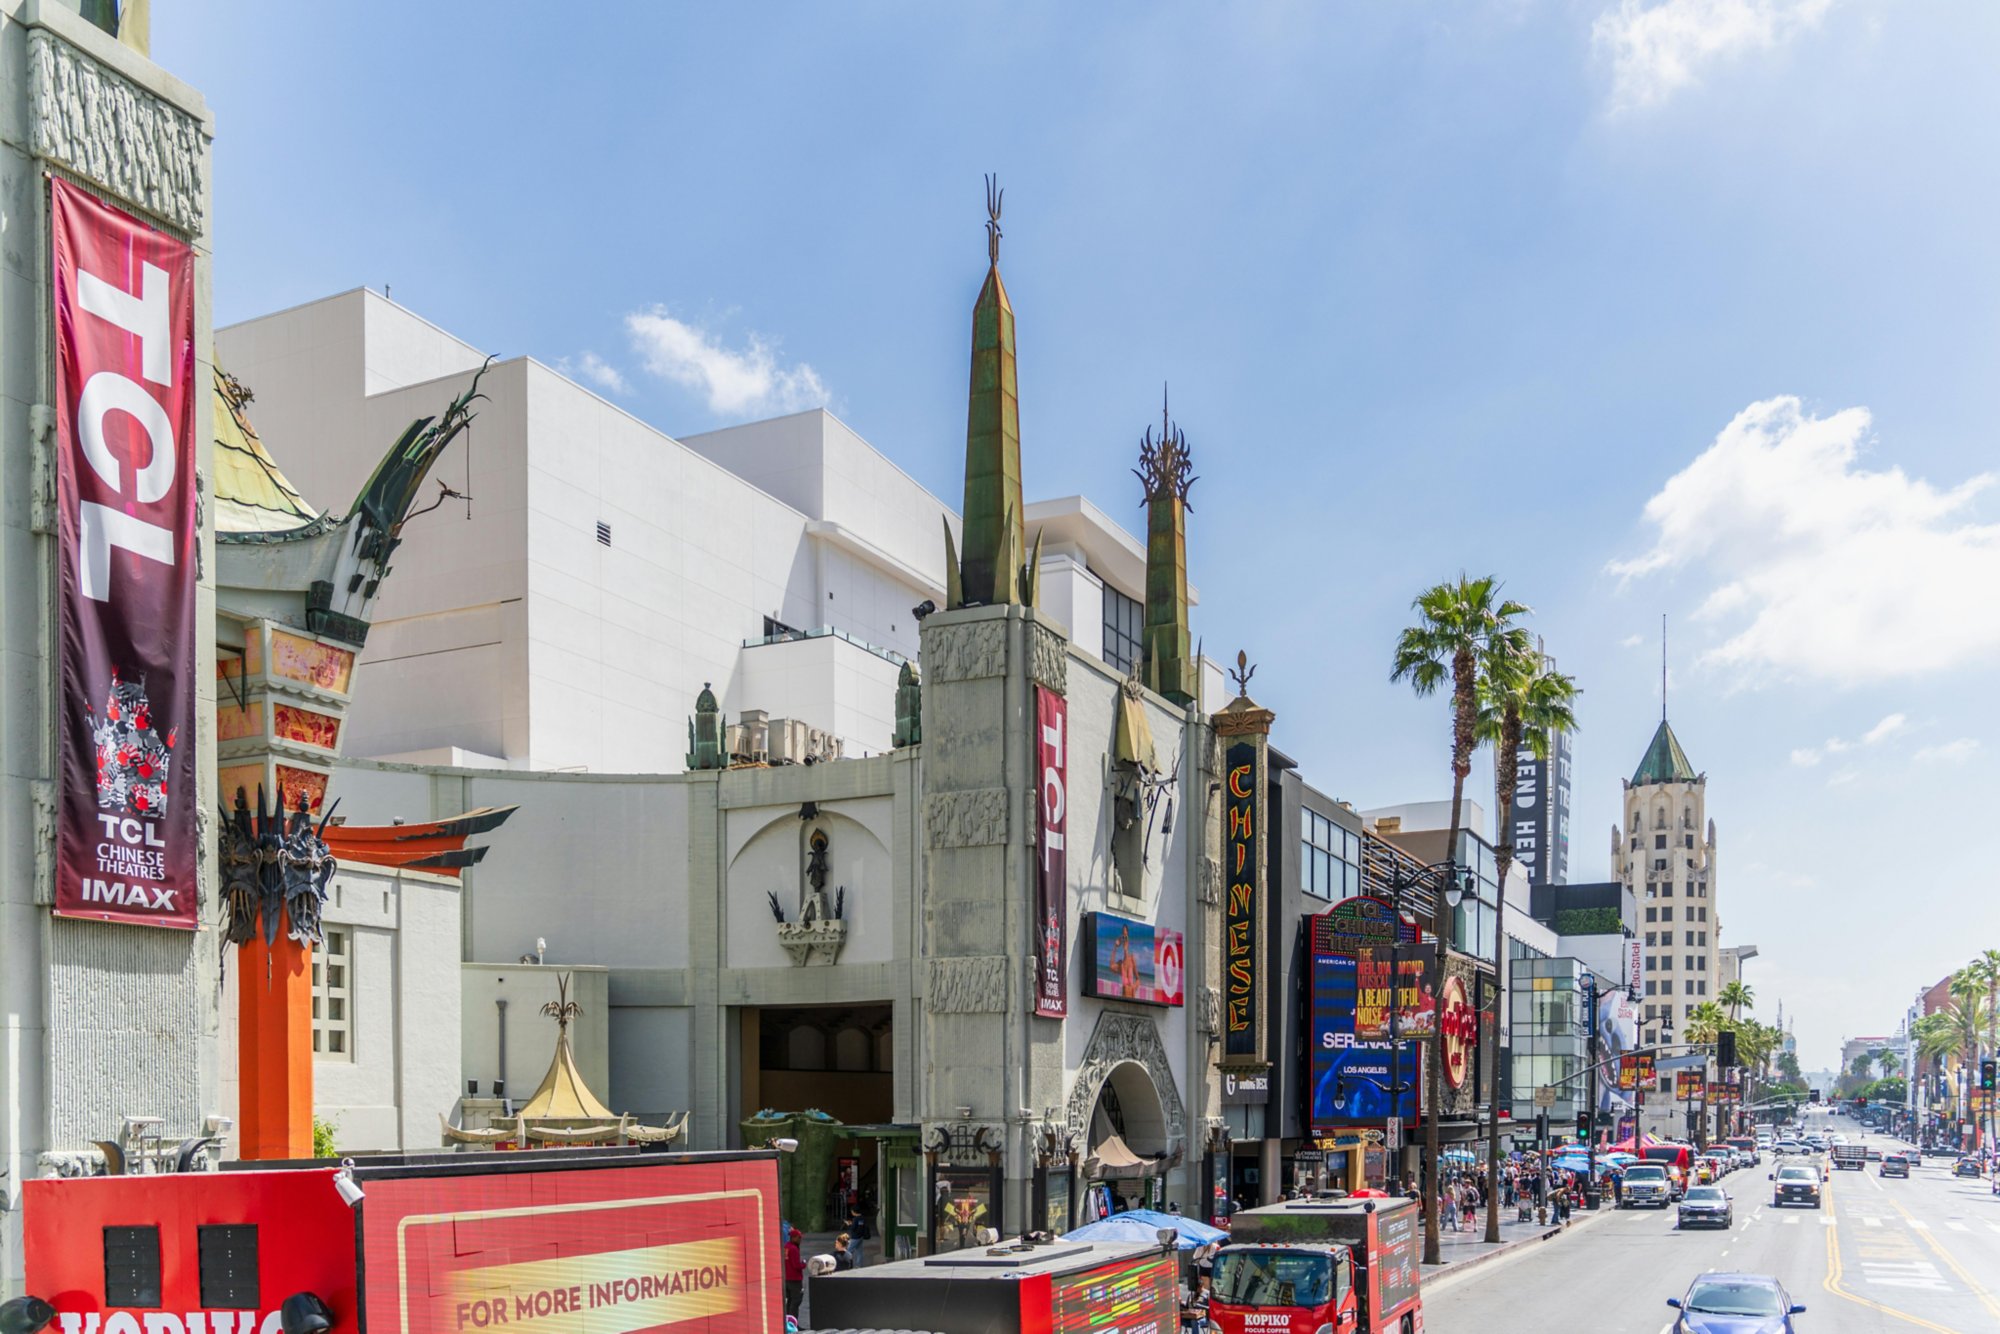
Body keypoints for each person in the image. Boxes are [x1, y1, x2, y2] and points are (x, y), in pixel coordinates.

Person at [782, 1228, 805, 1317]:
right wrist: (803, 1264)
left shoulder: (786, 1247)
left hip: (786, 1278)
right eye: (799, 1238)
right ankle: (793, 1321)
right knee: (796, 1301)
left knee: (789, 1301)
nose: (800, 1240)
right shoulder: (794, 1249)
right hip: (795, 1279)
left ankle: (788, 1321)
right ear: (793, 1237)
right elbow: (796, 1265)